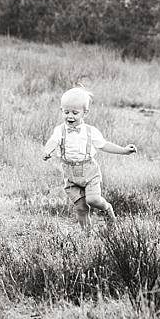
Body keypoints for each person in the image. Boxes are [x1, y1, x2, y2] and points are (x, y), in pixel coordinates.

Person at [42, 87, 138, 229]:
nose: (70, 116)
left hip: (90, 173)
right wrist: (47, 151)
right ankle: (87, 235)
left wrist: (124, 150)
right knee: (81, 208)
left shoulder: (90, 131)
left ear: (85, 113)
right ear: (61, 110)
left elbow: (104, 145)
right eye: (66, 112)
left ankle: (107, 209)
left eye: (75, 113)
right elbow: (53, 141)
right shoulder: (59, 130)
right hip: (70, 176)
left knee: (92, 200)